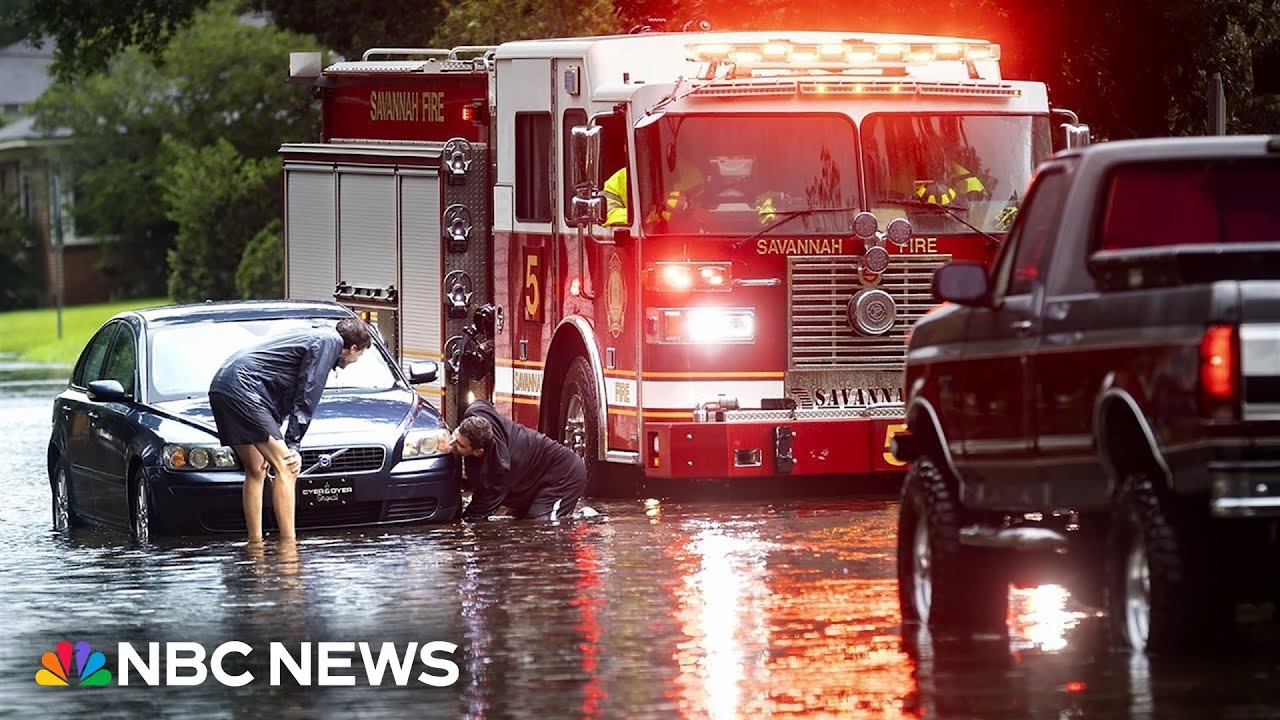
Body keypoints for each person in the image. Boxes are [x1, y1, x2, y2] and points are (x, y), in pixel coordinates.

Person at [208, 318, 372, 542]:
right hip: (244, 388)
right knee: (287, 466)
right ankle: (289, 546)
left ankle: (255, 543)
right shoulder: (329, 341)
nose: (355, 360)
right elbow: (308, 391)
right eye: (360, 355)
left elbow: (279, 388)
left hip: (223, 386)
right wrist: (293, 444)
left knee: (257, 468)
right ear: (353, 348)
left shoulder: (315, 335)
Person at [450, 400, 587, 521]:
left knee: (542, 525)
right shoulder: (476, 411)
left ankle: (585, 522)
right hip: (531, 479)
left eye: (460, 445)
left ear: (478, 452)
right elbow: (483, 402)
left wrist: (461, 529)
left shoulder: (498, 471)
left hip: (566, 475)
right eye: (456, 434)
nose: (452, 443)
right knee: (515, 521)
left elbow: (478, 511)